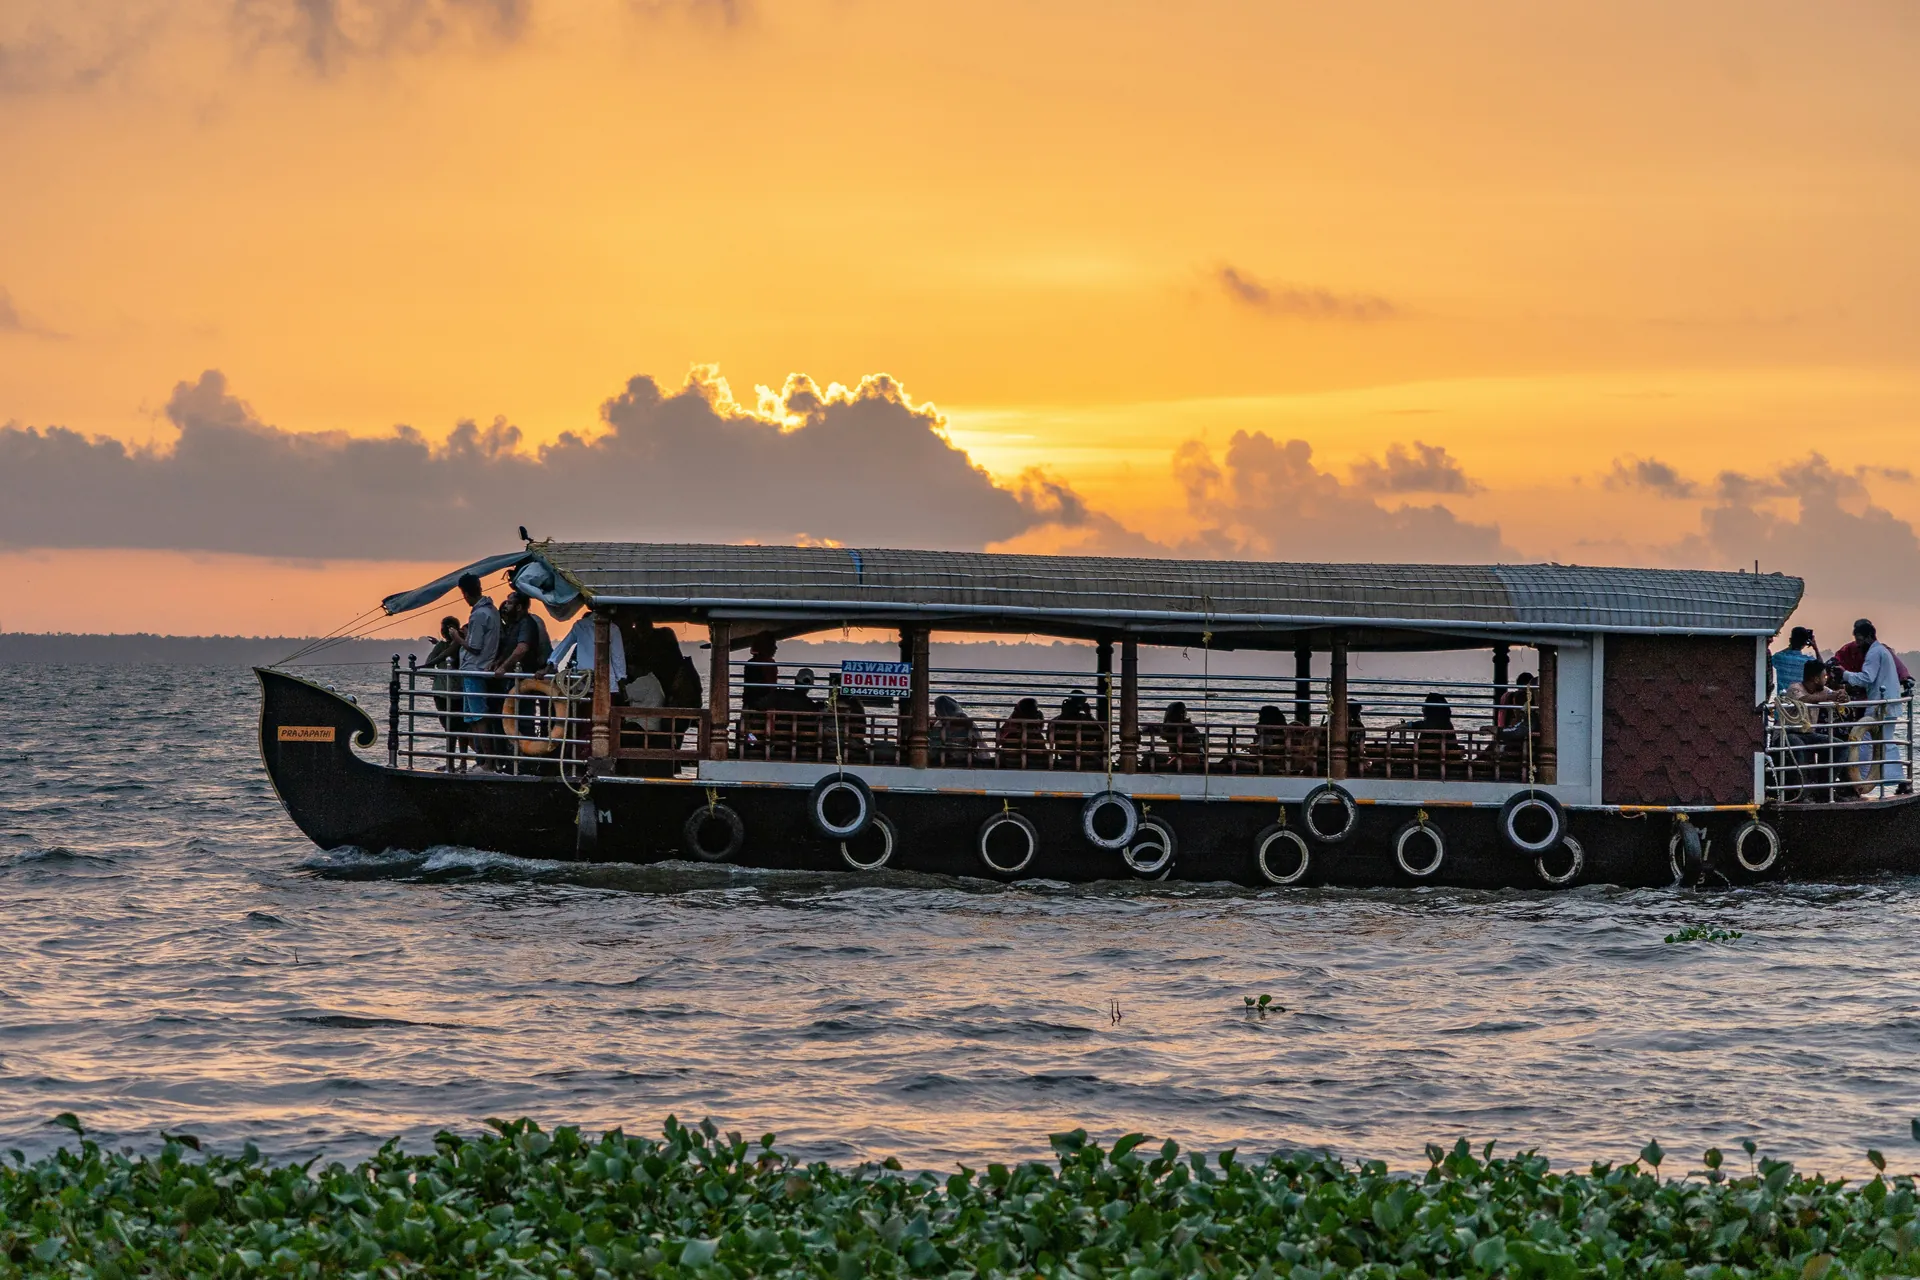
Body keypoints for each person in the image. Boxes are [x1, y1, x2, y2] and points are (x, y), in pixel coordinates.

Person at [1838, 619, 1908, 795]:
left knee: (1869, 742)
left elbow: (1866, 678)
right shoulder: (1882, 651)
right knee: (1884, 742)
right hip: (1886, 703)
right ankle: (1899, 781)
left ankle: (1859, 783)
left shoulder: (1874, 653)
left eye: (1860, 640)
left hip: (1880, 705)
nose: (1858, 644)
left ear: (1869, 637)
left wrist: (1844, 675)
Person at [456, 573, 504, 771]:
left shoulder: (478, 614)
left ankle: (488, 762)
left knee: (478, 717)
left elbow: (475, 647)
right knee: (473, 718)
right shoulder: (492, 611)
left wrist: (457, 638)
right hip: (478, 668)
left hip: (475, 669)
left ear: (465, 593)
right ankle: (483, 760)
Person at [1783, 661, 1848, 800]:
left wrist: (1842, 695)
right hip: (1789, 733)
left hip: (1808, 734)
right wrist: (1829, 697)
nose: (1826, 679)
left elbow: (1835, 694)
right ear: (1815, 678)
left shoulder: (1823, 691)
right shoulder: (1794, 688)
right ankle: (1801, 794)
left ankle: (1824, 790)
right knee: (1798, 746)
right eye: (1824, 677)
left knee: (1840, 747)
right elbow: (1804, 699)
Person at [1050, 689, 1102, 770]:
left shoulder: (1057, 720)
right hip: (1082, 754)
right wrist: (1088, 714)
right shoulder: (1086, 720)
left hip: (1070, 754)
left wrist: (1063, 714)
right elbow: (1102, 734)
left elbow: (1049, 737)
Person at [929, 694, 983, 766]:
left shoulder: (937, 726)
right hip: (964, 761)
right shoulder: (970, 724)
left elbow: (932, 751)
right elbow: (983, 750)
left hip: (941, 761)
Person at [998, 697, 1047, 769]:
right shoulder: (1036, 730)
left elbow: (999, 739)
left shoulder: (1011, 726)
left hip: (1009, 762)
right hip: (1037, 762)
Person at [1158, 701, 1207, 772]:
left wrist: (1153, 728)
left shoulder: (1177, 728)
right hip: (1198, 758)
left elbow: (1164, 734)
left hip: (1188, 759)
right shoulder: (1189, 726)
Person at [1770, 627, 1819, 693]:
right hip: (1801, 699)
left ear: (1790, 640)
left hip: (1783, 700)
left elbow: (1770, 660)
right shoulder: (1808, 661)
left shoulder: (1779, 657)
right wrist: (1815, 648)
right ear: (1805, 643)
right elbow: (1821, 667)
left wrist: (1791, 645)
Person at [742, 635, 780, 711]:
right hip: (761, 703)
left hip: (750, 702)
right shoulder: (768, 663)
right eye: (773, 645)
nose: (776, 648)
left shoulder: (751, 662)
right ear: (766, 647)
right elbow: (770, 687)